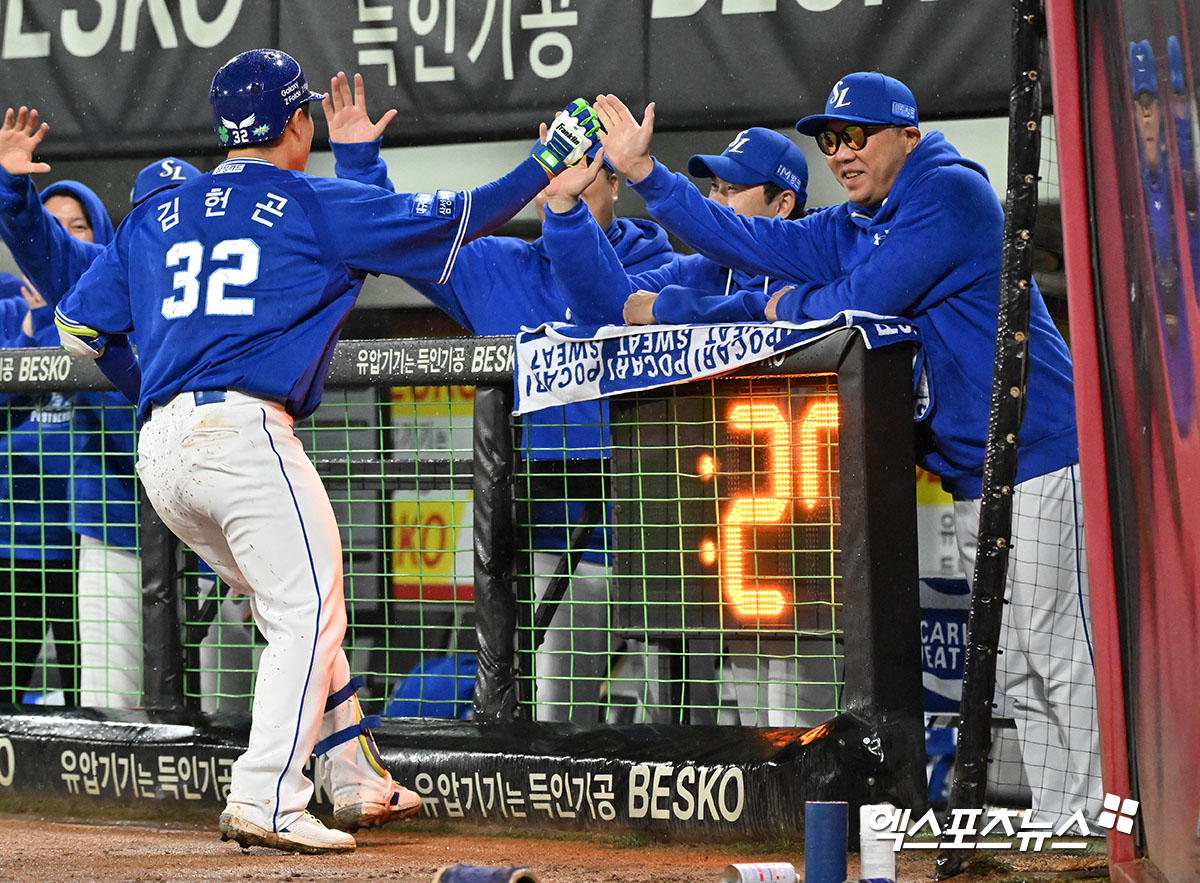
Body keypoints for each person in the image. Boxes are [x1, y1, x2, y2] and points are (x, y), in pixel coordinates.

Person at [53, 48, 600, 853]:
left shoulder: (158, 210)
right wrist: (545, 162)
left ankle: (351, 777)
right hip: (242, 432)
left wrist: (153, 389)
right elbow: (464, 213)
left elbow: (77, 325)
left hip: (162, 449)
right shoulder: (307, 200)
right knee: (310, 608)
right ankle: (266, 795)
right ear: (298, 121)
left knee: (294, 607)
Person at [589, 73, 1101, 826]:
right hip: (972, 473)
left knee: (1055, 653)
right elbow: (750, 239)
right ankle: (1065, 824)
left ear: (906, 133)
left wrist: (783, 303)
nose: (840, 152)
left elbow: (863, 299)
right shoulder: (857, 220)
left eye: (856, 134)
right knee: (1016, 663)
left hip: (1040, 452)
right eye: (830, 138)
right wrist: (647, 177)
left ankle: (1098, 829)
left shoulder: (951, 194)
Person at [326, 73, 675, 724]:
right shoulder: (501, 267)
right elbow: (403, 241)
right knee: (555, 710)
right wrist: (359, 163)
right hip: (540, 513)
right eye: (552, 172)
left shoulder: (660, 267)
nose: (561, 185)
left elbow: (608, 290)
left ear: (616, 184)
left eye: (582, 173)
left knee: (679, 712)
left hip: (649, 513)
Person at [540, 127, 840, 728]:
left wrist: (682, 310)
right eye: (714, 186)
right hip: (717, 522)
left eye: (734, 189)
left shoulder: (816, 253)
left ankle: (826, 821)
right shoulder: (705, 270)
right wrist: (564, 209)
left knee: (798, 714)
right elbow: (610, 305)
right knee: (710, 710)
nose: (717, 201)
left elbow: (782, 308)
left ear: (783, 204)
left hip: (807, 520)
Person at [0, 106, 203, 707]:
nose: (168, 223)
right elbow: (44, 248)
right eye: (155, 212)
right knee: (108, 701)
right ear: (134, 226)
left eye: (181, 208)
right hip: (114, 514)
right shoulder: (104, 270)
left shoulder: (224, 279)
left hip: (211, 514)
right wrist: (13, 188)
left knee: (222, 697)